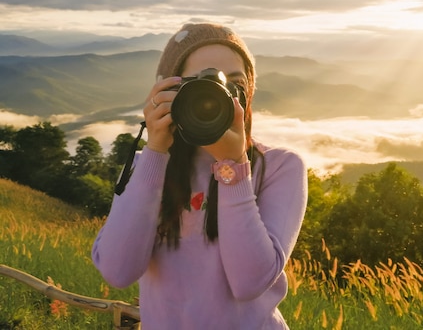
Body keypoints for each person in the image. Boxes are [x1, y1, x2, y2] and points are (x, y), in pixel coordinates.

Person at [92, 22, 308, 329]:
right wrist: (155, 150)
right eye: (197, 85)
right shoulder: (149, 167)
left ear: (249, 93)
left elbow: (249, 283)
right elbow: (117, 271)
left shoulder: (279, 166)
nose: (216, 98)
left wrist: (233, 166)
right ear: (167, 91)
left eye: (234, 84)